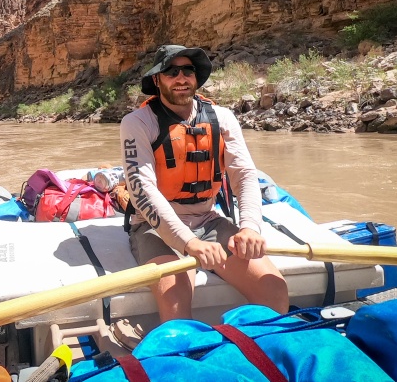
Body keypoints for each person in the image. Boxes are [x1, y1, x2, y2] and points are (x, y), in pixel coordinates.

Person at [121, 44, 288, 322]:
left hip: (208, 221)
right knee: (176, 305)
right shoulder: (137, 122)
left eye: (188, 71)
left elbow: (244, 175)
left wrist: (249, 227)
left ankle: (252, 353)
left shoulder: (222, 118)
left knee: (274, 290)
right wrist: (188, 242)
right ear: (156, 79)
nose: (181, 78)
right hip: (154, 227)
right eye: (171, 71)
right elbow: (142, 191)